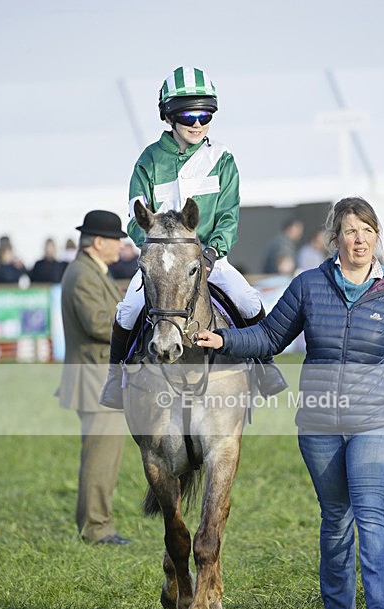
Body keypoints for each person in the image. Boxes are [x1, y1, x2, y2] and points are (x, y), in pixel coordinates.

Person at [196, 197, 384, 609]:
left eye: (367, 231)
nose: (359, 239)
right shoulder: (308, 285)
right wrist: (226, 338)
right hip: (319, 424)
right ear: (333, 237)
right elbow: (272, 336)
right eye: (350, 231)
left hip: (377, 421)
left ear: (377, 237)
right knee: (336, 519)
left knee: (371, 514)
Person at [100, 65, 287, 408]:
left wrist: (214, 252)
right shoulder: (148, 161)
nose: (197, 123)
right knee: (127, 310)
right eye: (189, 114)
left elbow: (229, 215)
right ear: (169, 116)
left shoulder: (222, 159)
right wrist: (157, 255)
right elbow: (134, 217)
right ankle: (115, 378)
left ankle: (265, 367)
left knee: (248, 300)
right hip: (161, 262)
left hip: (211, 258)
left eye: (206, 114)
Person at [57, 210, 130, 545]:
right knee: (100, 459)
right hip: (94, 380)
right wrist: (132, 324)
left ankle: (93, 523)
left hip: (97, 378)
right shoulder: (84, 275)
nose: (120, 245)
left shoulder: (91, 271)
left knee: (101, 456)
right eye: (116, 239)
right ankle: (97, 529)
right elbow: (97, 325)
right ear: (98, 242)